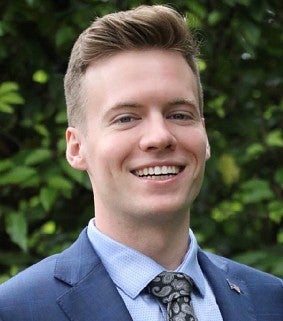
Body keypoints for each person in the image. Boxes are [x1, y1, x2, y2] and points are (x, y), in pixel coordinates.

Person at [0, 5, 282, 321]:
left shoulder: (273, 302)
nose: (159, 137)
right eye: (126, 118)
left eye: (179, 115)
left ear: (204, 136)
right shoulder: (15, 310)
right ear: (77, 148)